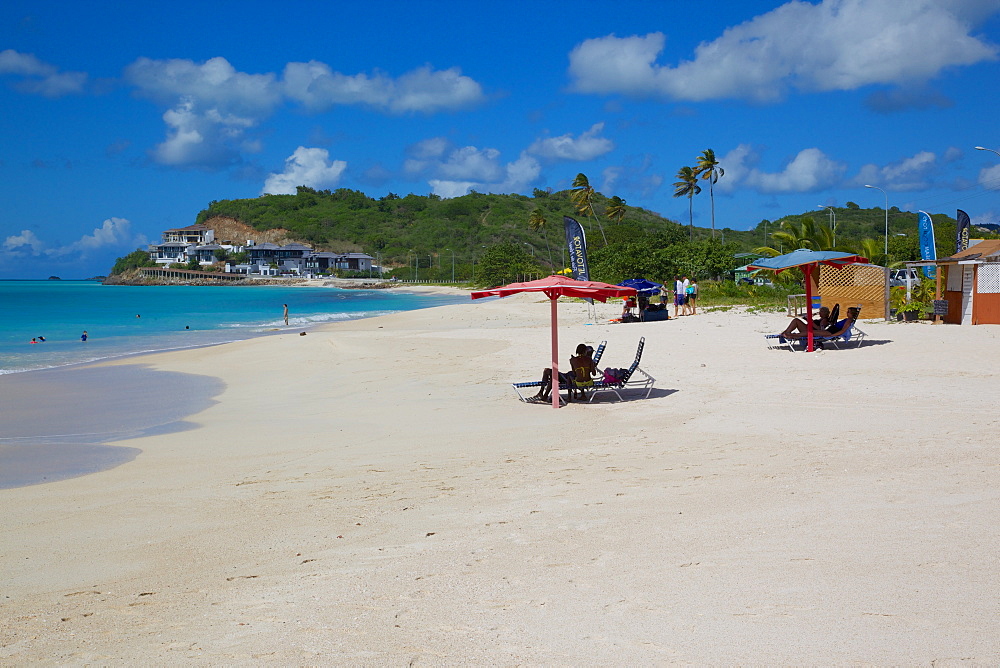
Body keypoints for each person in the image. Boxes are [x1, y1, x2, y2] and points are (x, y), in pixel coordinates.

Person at [531, 344, 597, 402]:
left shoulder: (573, 360)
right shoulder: (589, 360)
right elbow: (594, 373)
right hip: (588, 382)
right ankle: (543, 394)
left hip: (576, 381)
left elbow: (574, 373)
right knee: (553, 375)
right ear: (585, 351)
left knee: (548, 372)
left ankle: (543, 393)